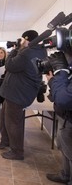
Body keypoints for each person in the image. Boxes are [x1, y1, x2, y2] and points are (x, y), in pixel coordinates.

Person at [0, 30, 47, 160]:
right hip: (15, 93)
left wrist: (15, 49)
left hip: (18, 94)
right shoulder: (39, 51)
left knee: (14, 123)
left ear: (27, 40)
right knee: (4, 118)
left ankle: (17, 151)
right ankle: (6, 141)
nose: (21, 42)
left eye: (23, 40)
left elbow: (10, 65)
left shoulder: (27, 52)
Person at [45, 51, 72, 184]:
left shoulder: (64, 72)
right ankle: (65, 174)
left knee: (70, 152)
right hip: (65, 116)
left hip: (69, 118)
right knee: (64, 148)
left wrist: (61, 72)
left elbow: (64, 98)